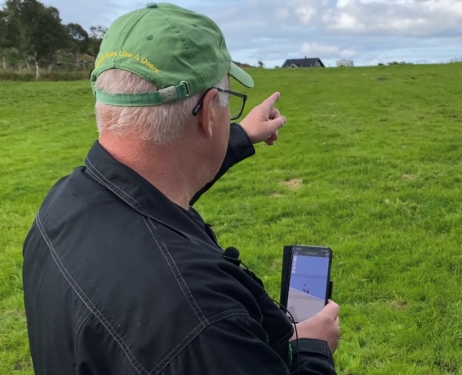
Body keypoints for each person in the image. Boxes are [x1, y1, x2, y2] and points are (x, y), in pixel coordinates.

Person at [21, 3, 340, 375]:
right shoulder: (202, 321)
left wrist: (239, 137)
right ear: (207, 113)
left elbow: (153, 191)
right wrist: (313, 348)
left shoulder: (64, 204)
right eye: (227, 102)